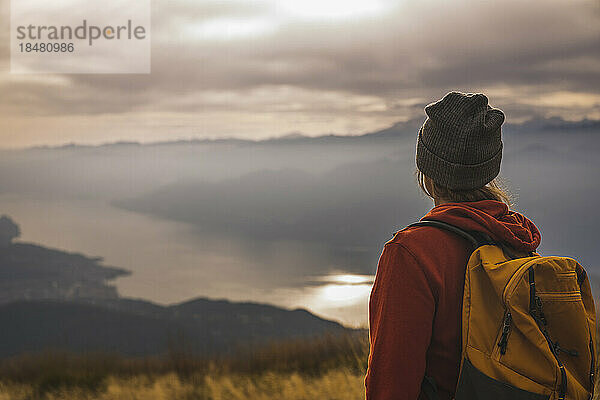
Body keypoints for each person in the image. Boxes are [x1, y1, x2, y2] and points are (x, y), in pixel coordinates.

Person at [364, 91, 542, 400]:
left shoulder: (411, 253)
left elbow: (390, 384)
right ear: (490, 169)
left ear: (427, 174)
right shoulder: (518, 240)